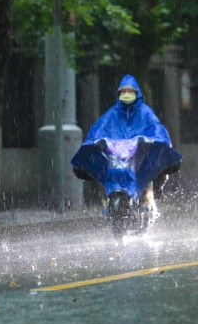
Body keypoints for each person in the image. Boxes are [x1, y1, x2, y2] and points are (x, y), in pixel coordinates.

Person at [71, 75, 182, 220]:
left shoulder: (145, 112)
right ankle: (105, 204)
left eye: (130, 91)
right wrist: (93, 142)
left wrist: (155, 140)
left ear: (137, 93)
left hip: (138, 158)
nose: (127, 94)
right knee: (103, 175)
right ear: (119, 94)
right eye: (123, 91)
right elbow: (98, 129)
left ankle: (147, 202)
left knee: (146, 173)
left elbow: (156, 128)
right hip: (115, 158)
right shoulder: (111, 114)